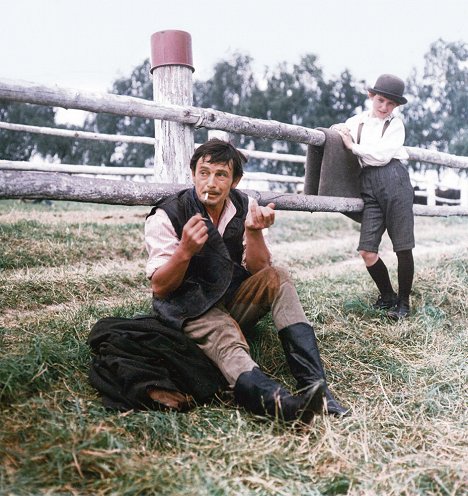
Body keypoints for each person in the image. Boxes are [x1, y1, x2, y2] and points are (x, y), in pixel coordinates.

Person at [144, 138, 348, 422]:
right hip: (187, 308)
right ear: (193, 175)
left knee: (279, 276)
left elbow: (261, 269)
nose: (211, 183)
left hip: (229, 297)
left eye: (221, 175)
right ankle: (279, 405)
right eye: (204, 173)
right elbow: (160, 288)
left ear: (235, 180)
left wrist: (253, 232)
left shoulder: (244, 206)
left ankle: (317, 389)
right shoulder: (167, 214)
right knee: (226, 335)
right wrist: (184, 252)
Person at [332, 74, 414, 320]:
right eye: (380, 101)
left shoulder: (395, 125)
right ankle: (387, 295)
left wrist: (353, 147)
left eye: (390, 104)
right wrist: (340, 133)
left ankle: (403, 303)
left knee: (402, 245)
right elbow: (338, 131)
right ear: (371, 96)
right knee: (367, 249)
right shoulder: (357, 121)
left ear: (396, 106)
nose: (384, 107)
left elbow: (381, 156)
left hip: (395, 179)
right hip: (368, 183)